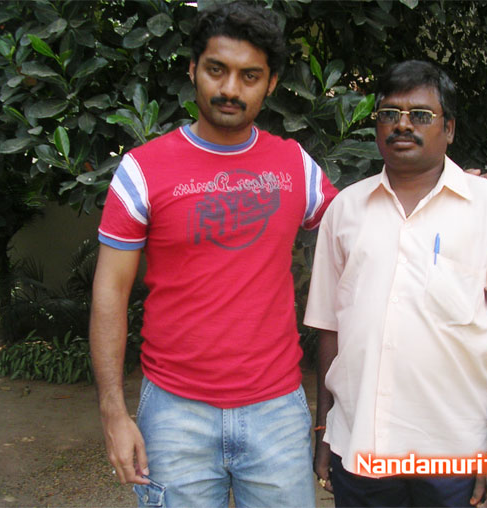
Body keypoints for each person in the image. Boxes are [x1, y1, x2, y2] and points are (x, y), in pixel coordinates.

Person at [89, 2, 336, 506]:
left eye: (250, 76)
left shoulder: (296, 166)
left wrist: (463, 192)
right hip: (174, 414)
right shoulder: (142, 171)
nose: (230, 89)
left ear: (271, 83)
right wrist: (114, 412)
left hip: (277, 410)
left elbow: (367, 228)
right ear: (192, 70)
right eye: (216, 70)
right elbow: (109, 292)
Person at [304, 60, 487, 508]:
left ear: (449, 128)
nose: (403, 125)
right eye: (389, 113)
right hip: (359, 447)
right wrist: (324, 430)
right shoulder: (345, 211)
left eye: (420, 115)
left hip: (453, 455)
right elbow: (330, 330)